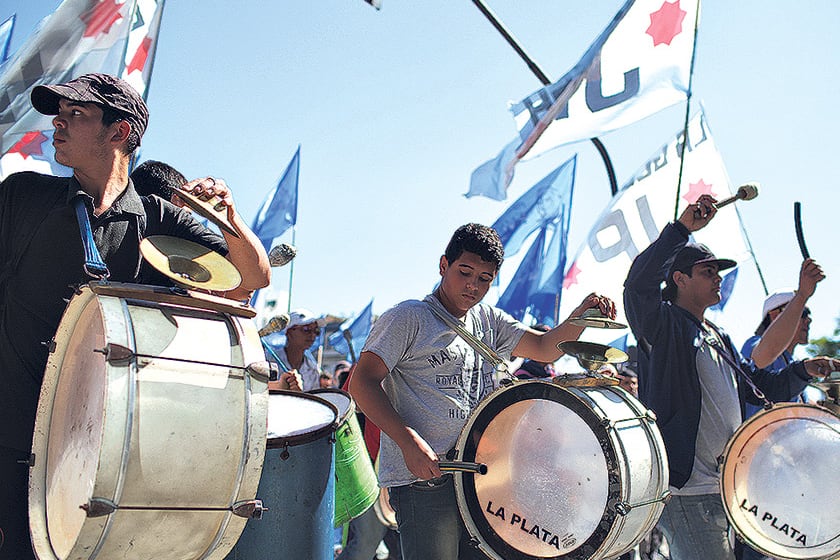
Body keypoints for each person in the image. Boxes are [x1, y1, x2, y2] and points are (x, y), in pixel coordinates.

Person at [0, 73, 270, 559]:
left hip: (101, 450)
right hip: (9, 436)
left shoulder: (159, 217)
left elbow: (250, 279)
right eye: (59, 114)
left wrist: (228, 217)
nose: (57, 123)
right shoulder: (22, 196)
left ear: (119, 132)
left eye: (76, 114)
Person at [349, 223, 616, 560]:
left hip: (484, 479)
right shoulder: (408, 318)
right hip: (426, 480)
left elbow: (545, 348)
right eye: (464, 272)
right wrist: (408, 441)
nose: (473, 285)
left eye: (485, 278)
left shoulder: (490, 320)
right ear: (443, 265)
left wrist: (580, 317)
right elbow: (361, 383)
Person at [623, 193, 837, 560]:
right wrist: (680, 229)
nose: (718, 278)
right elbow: (638, 286)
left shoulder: (716, 334)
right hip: (689, 491)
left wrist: (803, 370)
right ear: (679, 279)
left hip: (726, 488)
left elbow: (759, 386)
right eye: (707, 272)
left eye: (717, 272)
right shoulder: (663, 324)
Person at [268, 308, 327, 391]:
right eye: (306, 329)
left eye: (316, 331)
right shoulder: (268, 360)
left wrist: (299, 394)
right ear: (289, 332)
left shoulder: (314, 370)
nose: (312, 335)